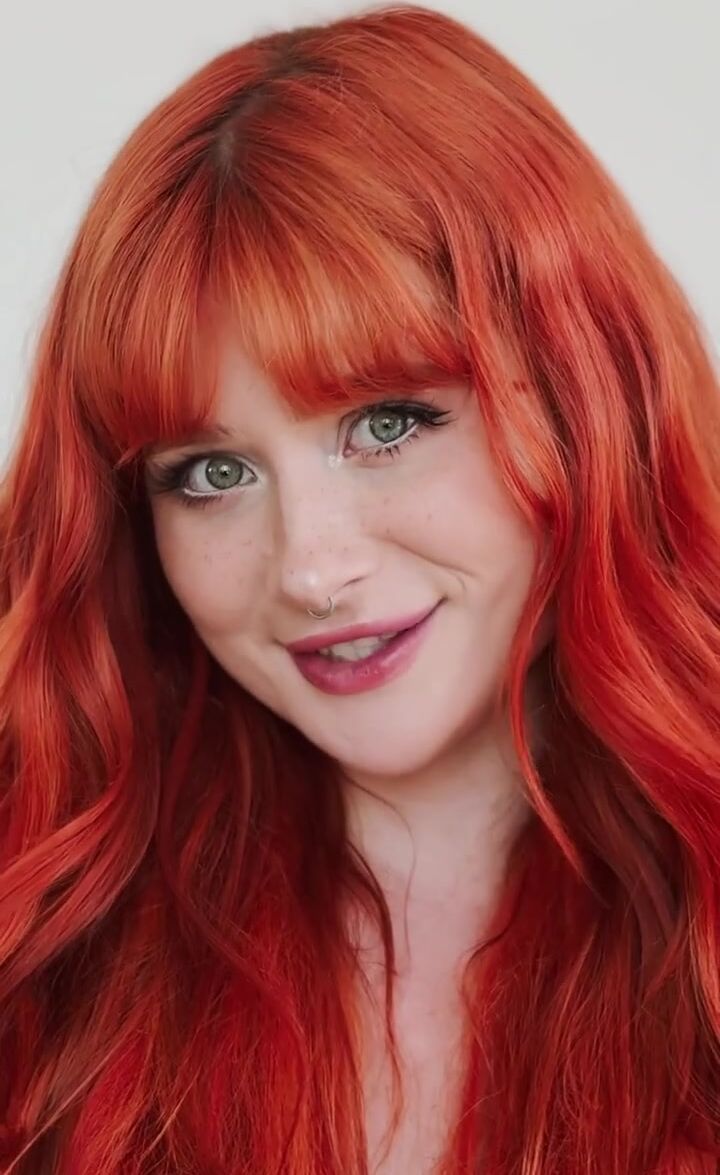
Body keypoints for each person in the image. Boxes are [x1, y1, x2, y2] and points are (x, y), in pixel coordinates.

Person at [0, 3, 718, 1172]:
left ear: (586, 392)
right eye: (213, 473)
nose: (310, 568)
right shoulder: (42, 939)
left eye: (387, 424)